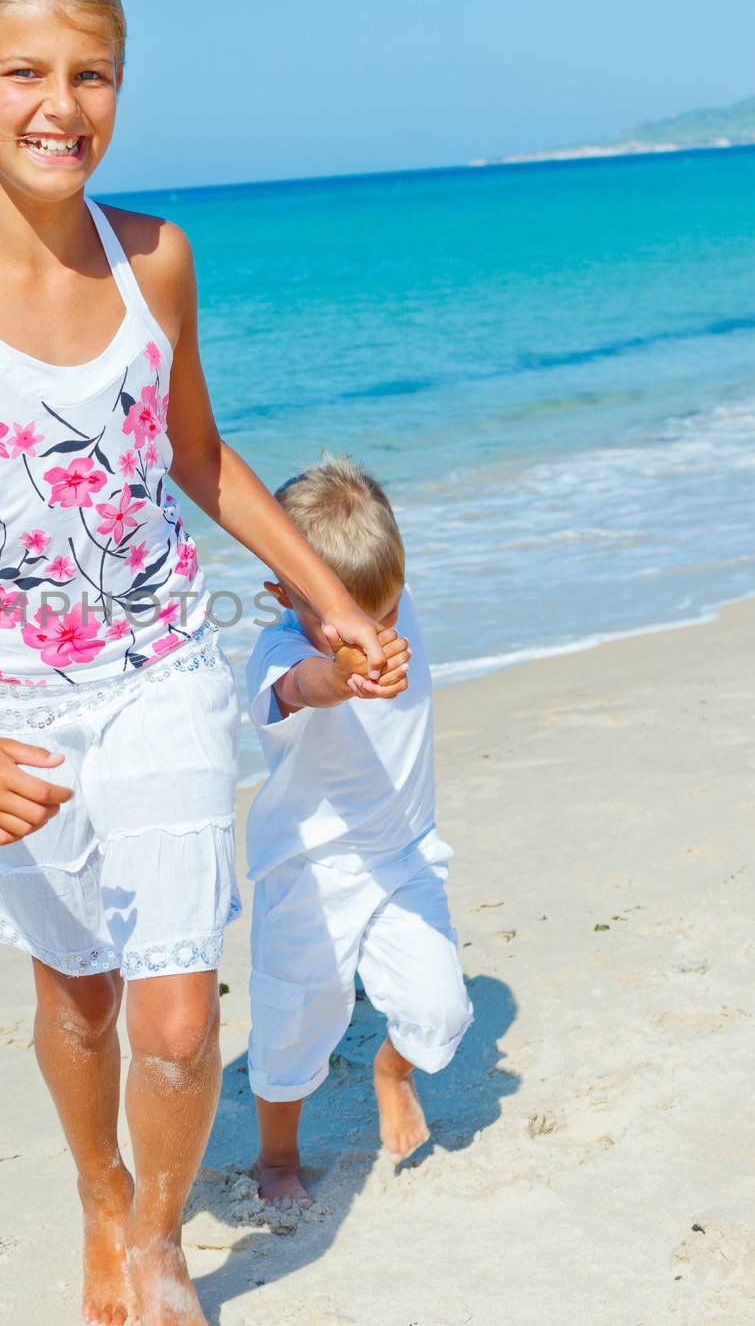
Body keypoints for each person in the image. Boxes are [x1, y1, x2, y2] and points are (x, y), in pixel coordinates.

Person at [0, 0, 403, 1326]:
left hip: (161, 680)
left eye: (94, 74)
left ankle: (154, 1237)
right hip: (2, 708)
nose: (59, 104)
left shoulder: (159, 260)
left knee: (178, 1012)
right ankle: (95, 1194)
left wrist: (331, 603)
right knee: (77, 997)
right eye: (23, 71)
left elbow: (198, 460)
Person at [244, 455, 472, 1204]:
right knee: (292, 1020)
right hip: (310, 872)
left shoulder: (395, 595)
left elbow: (364, 547)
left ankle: (390, 1069)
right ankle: (276, 1156)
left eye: (389, 607)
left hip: (404, 852)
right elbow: (298, 688)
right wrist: (339, 676)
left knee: (443, 1008)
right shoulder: (281, 652)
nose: (376, 629)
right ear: (284, 595)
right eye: (352, 615)